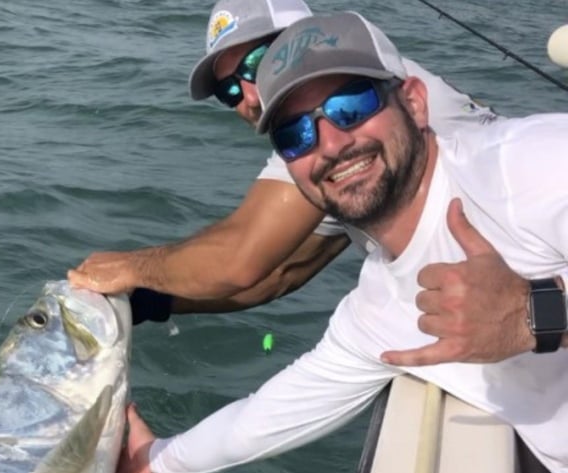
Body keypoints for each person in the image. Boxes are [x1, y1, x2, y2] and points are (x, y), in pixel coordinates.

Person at [113, 12, 568, 473]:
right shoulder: (376, 309)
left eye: (350, 105)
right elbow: (270, 413)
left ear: (415, 101)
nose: (329, 143)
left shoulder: (528, 165)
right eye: (295, 134)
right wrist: (154, 460)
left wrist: (536, 314)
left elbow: (242, 262)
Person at [68, 0, 502, 364]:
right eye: (229, 92)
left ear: (306, 35)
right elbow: (283, 271)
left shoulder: (350, 117)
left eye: (257, 64)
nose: (248, 99)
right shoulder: (337, 143)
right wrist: (148, 299)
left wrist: (129, 268)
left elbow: (239, 258)